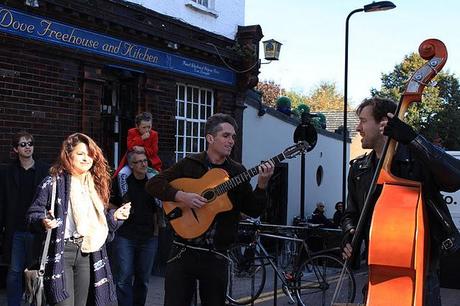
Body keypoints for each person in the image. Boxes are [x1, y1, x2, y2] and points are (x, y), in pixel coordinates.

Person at [145, 113, 275, 306]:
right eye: (226, 135)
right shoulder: (190, 164)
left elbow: (253, 209)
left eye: (233, 137)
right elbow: (153, 184)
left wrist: (262, 185)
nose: (231, 141)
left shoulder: (237, 171)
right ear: (210, 138)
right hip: (183, 250)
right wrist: (182, 196)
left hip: (216, 254)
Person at [341, 97, 460, 305]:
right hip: (377, 276)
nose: (358, 127)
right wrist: (350, 234)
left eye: (362, 121)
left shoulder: (417, 162)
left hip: (420, 277)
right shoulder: (358, 169)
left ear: (383, 124)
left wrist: (413, 139)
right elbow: (351, 214)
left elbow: (455, 177)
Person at [26, 133, 132, 306]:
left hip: (87, 252)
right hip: (62, 252)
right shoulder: (52, 182)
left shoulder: (95, 185)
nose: (86, 158)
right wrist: (43, 221)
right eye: (81, 154)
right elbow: (33, 215)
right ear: (68, 155)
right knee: (63, 303)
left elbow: (102, 225)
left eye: (89, 154)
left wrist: (115, 216)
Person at [0, 131, 49, 306]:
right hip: (16, 230)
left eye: (30, 143)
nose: (28, 147)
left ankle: (35, 303)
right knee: (14, 271)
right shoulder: (7, 172)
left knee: (36, 272)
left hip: (37, 229)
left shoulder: (44, 170)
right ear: (15, 149)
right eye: (23, 144)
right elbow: (3, 202)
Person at [111, 150, 159, 306]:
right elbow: (109, 202)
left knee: (143, 279)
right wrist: (117, 212)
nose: (144, 164)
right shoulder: (122, 182)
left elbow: (158, 208)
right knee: (124, 277)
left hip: (148, 236)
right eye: (139, 161)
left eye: (145, 160)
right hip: (125, 235)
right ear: (131, 165)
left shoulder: (152, 183)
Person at [114, 112, 162, 198]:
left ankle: (158, 203)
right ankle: (125, 199)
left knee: (155, 178)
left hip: (148, 164)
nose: (147, 130)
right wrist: (141, 138)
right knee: (122, 174)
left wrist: (143, 149)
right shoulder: (132, 132)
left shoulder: (154, 134)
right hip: (133, 162)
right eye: (144, 127)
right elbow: (130, 147)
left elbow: (154, 151)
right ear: (137, 126)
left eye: (149, 127)